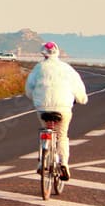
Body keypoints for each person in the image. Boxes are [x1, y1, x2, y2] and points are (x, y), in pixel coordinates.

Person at [24, 41, 88, 180]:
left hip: (42, 108)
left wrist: (36, 99)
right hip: (63, 108)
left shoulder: (38, 68)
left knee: (45, 131)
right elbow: (79, 90)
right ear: (58, 53)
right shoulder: (67, 69)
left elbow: (29, 90)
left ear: (43, 54)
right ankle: (64, 163)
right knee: (61, 136)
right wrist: (81, 100)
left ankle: (42, 162)